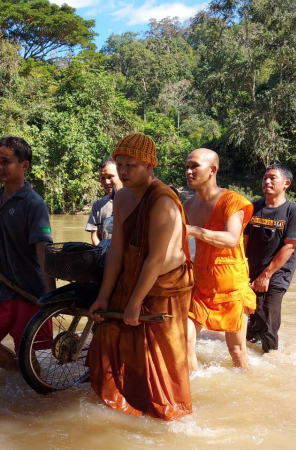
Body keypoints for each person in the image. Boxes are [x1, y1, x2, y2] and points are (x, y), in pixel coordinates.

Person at [87, 132, 194, 421]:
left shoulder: (162, 201)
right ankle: (127, 406)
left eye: (131, 165)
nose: (123, 171)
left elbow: (155, 258)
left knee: (161, 356)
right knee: (112, 337)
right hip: (132, 276)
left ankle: (169, 415)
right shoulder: (121, 196)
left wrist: (135, 303)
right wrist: (104, 296)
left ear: (149, 166)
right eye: (120, 165)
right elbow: (117, 250)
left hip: (163, 285)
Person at [0, 136, 57, 371]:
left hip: (28, 288)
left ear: (24, 165)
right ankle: (19, 378)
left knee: (25, 350)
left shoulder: (34, 204)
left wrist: (51, 295)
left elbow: (43, 249)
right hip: (4, 286)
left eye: (5, 161)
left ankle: (29, 383)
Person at [183, 148, 256, 370]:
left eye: (195, 166)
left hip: (230, 283)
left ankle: (249, 385)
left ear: (212, 170)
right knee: (184, 343)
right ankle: (193, 388)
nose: (188, 171)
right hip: (199, 283)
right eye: (187, 166)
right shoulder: (187, 206)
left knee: (237, 351)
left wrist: (193, 230)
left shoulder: (232, 201)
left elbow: (232, 239)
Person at [244, 164, 296, 353]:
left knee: (268, 319)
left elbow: (289, 246)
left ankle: (271, 356)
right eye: (265, 178)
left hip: (277, 273)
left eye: (272, 178)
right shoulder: (253, 207)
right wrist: (242, 269)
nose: (267, 181)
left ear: (286, 183)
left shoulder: (294, 211)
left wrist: (266, 275)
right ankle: (250, 357)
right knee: (249, 320)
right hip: (250, 271)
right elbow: (244, 241)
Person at [85, 157, 123, 245]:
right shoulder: (97, 205)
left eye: (110, 177)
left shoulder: (133, 201)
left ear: (121, 175)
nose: (106, 182)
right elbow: (94, 236)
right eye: (102, 178)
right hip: (103, 251)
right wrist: (101, 250)